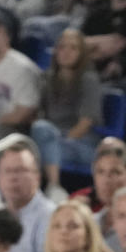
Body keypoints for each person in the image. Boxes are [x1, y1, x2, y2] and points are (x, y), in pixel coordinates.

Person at [31, 28, 103, 195]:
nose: (66, 52)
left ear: (82, 52)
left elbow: (84, 124)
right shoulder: (47, 78)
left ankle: (54, 187)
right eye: (62, 47)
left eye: (73, 48)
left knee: (41, 140)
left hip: (82, 143)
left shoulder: (89, 80)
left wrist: (54, 141)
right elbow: (39, 116)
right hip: (50, 137)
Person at [0, 140, 55, 252]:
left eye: (21, 170)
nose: (13, 178)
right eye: (7, 171)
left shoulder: (50, 215)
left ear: (37, 177)